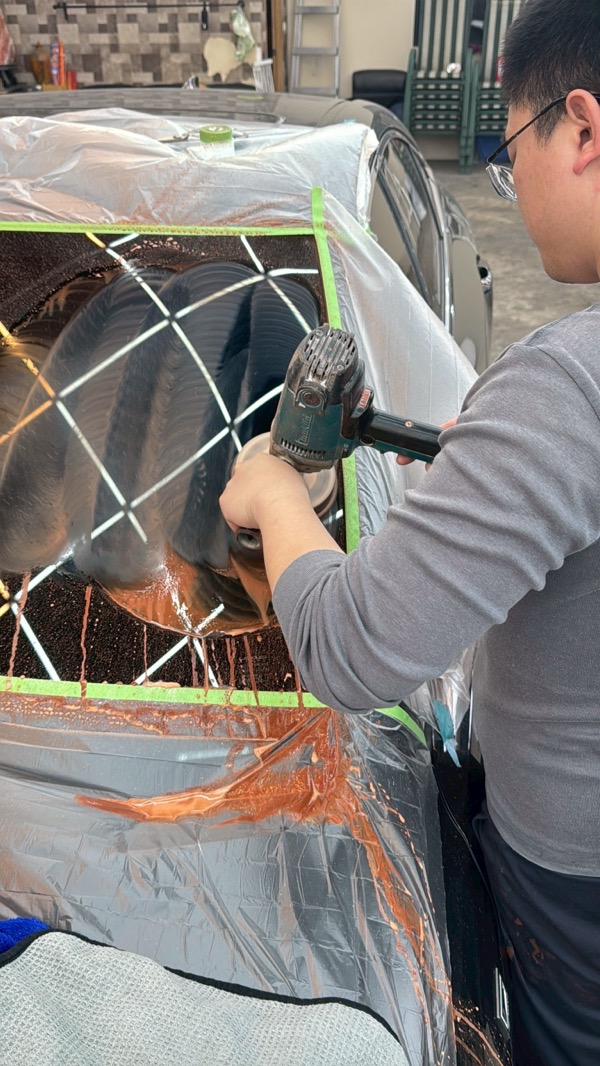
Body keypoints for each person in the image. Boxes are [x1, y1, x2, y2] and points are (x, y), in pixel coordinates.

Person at [219, 1, 600, 1061]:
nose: (506, 184)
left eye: (506, 146)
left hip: (575, 887)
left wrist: (277, 495)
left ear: (583, 128)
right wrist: (486, 465)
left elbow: (353, 649)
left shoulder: (567, 384)